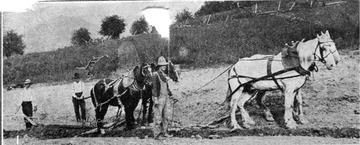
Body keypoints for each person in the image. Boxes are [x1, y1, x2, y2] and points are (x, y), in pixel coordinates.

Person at [151, 56, 173, 140]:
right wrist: (155, 99)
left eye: (164, 65)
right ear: (159, 66)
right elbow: (154, 88)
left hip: (165, 97)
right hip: (159, 98)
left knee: (166, 116)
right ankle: (157, 134)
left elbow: (166, 87)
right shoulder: (155, 75)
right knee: (158, 116)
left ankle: (164, 132)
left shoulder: (164, 75)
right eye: (162, 65)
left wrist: (171, 95)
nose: (164, 67)